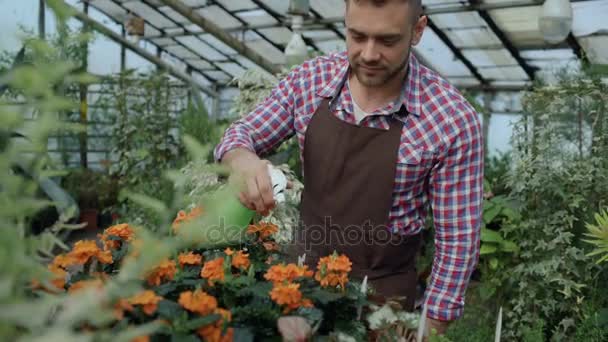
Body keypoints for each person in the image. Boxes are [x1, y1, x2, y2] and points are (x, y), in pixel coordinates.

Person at [213, 0, 484, 337]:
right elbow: (242, 134)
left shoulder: (451, 119)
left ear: (417, 30)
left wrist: (432, 324)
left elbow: (458, 238)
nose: (369, 54)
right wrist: (242, 159)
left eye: (387, 40)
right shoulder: (310, 81)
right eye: (357, 36)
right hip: (299, 285)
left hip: (383, 301)